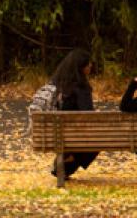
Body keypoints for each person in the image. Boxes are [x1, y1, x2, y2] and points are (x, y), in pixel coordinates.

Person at [50, 49, 98, 178]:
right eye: (88, 64)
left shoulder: (56, 85)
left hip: (54, 134)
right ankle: (70, 160)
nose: (90, 66)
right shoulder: (81, 87)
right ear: (81, 68)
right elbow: (88, 115)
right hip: (75, 134)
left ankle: (66, 160)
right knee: (100, 137)